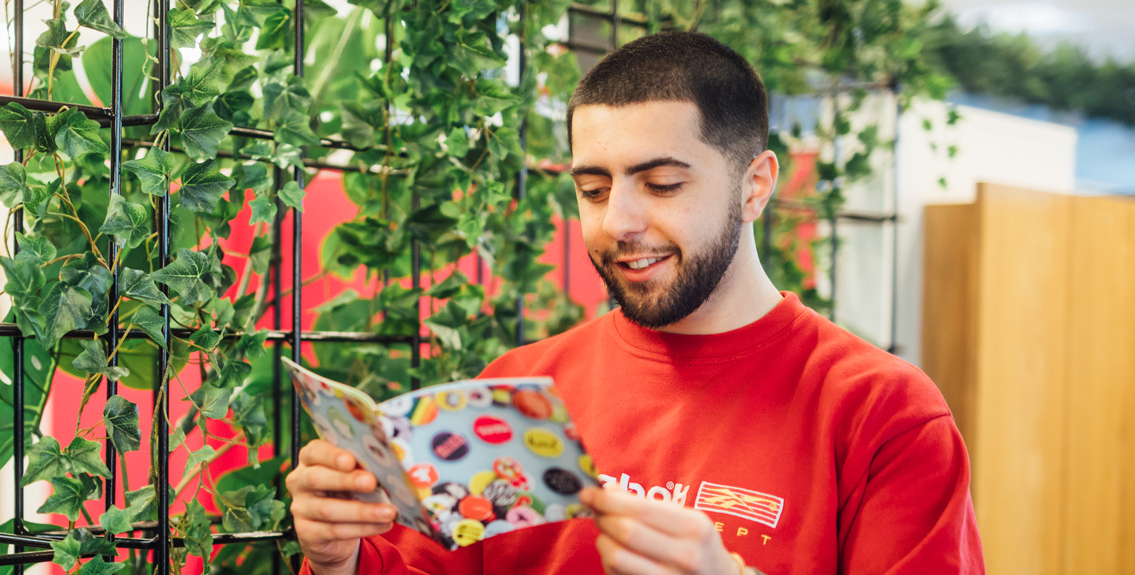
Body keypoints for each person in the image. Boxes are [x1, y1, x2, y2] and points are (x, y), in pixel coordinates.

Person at [285, 30, 985, 575]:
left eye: (660, 184)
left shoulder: (884, 414)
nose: (617, 221)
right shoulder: (513, 391)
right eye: (593, 189)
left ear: (755, 185)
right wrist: (336, 552)